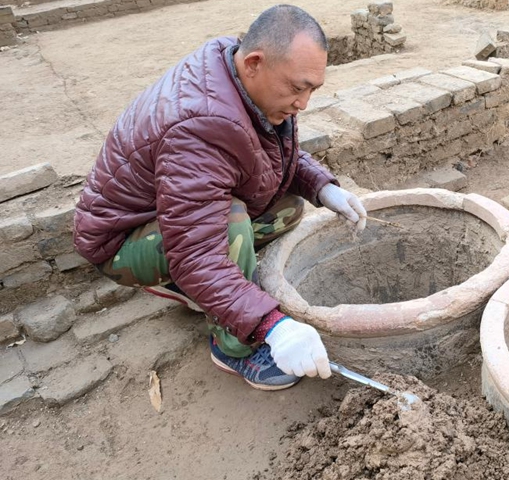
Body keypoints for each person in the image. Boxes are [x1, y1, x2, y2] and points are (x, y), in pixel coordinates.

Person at [73, 5, 367, 391]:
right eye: (298, 88)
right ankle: (233, 348)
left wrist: (322, 187)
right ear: (255, 63)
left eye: (313, 88)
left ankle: (222, 289)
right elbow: (196, 252)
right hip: (121, 242)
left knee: (289, 208)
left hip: (174, 219)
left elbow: (270, 152)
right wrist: (272, 326)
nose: (304, 103)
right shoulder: (199, 126)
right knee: (230, 223)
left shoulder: (239, 71)